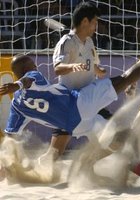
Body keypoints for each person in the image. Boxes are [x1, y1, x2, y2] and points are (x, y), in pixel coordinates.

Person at [0, 47, 140, 179]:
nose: (36, 66)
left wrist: (5, 164)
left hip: (70, 126)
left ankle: (92, 165)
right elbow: (28, 80)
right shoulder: (34, 74)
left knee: (109, 137)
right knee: (125, 80)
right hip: (79, 105)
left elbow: (10, 137)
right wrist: (18, 84)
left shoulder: (16, 106)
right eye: (32, 65)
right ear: (29, 68)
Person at [52, 2, 109, 149]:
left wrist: (99, 71)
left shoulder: (89, 41)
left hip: (90, 98)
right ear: (85, 21)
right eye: (95, 22)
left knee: (109, 131)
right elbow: (57, 68)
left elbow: (90, 65)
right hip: (70, 102)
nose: (96, 26)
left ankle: (126, 165)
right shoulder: (67, 42)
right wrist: (73, 66)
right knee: (55, 152)